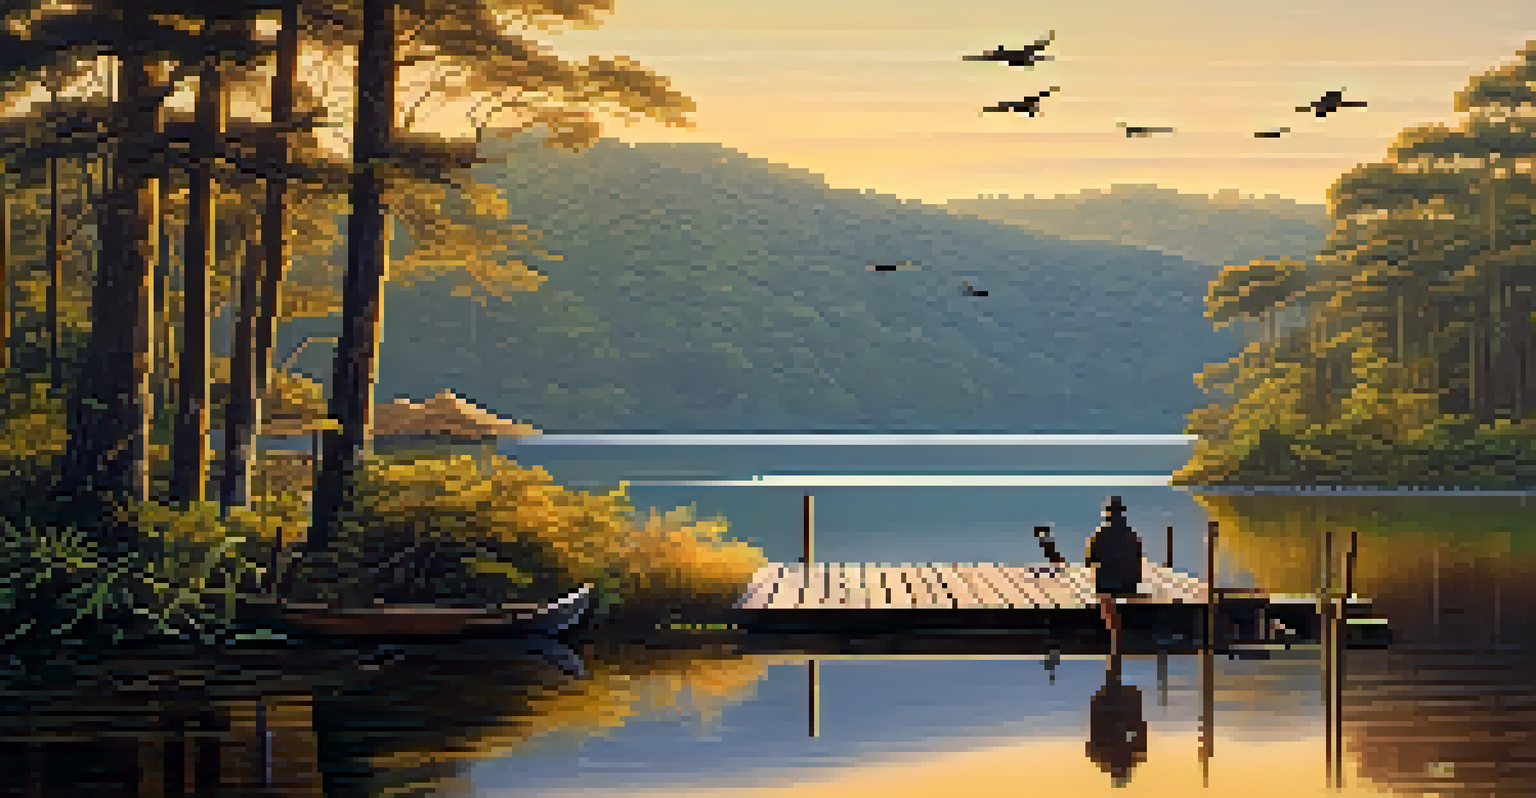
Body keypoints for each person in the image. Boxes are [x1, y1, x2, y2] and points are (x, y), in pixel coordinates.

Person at [1085, 496, 1146, 656]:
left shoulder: (1100, 534)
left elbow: (1091, 559)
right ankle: (1123, 628)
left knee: (1105, 595)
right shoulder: (1132, 535)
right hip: (1129, 583)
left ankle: (1111, 629)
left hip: (1107, 583)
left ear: (1108, 514)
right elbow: (1139, 557)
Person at [1085, 645, 1149, 787]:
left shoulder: (1103, 758)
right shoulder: (1128, 757)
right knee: (1114, 675)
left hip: (1110, 710)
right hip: (1114, 710)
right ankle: (1114, 646)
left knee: (1114, 675)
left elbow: (1092, 737)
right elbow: (1140, 730)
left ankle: (1114, 646)